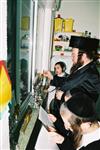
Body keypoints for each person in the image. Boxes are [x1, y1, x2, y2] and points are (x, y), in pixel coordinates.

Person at [56, 36, 100, 103]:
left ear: (83, 56)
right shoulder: (84, 67)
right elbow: (70, 80)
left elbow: (87, 103)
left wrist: (63, 96)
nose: (71, 57)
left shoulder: (90, 73)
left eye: (73, 54)